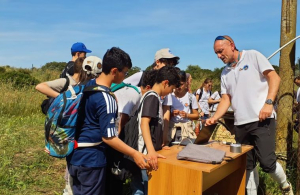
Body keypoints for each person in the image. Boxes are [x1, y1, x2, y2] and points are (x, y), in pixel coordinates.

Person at [206, 35, 293, 195]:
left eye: (220, 51)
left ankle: (285, 186)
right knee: (248, 165)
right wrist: (215, 117)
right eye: (216, 53)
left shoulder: (253, 56)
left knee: (267, 163)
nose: (219, 56)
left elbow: (274, 77)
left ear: (231, 45)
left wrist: (268, 103)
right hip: (240, 125)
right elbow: (226, 99)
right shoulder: (225, 73)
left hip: (262, 121)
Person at [68, 47, 149, 195]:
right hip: (92, 159)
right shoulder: (107, 97)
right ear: (114, 71)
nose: (125, 76)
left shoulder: (87, 85)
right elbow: (109, 137)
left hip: (74, 156)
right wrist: (135, 154)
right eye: (124, 72)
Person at [105, 69, 158, 195]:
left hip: (111, 136)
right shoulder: (135, 94)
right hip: (111, 138)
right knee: (113, 177)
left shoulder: (137, 93)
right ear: (149, 87)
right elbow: (120, 123)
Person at [130, 66, 180, 195]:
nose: (171, 92)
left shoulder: (153, 97)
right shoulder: (152, 97)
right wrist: (152, 151)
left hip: (148, 152)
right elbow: (144, 124)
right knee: (143, 188)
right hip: (145, 154)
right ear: (165, 83)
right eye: (172, 89)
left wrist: (160, 144)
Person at [168, 71, 199, 144]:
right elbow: (164, 116)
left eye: (181, 84)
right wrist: (172, 114)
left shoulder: (191, 97)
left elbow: (196, 115)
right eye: (177, 84)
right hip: (172, 130)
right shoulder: (169, 96)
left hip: (186, 130)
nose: (179, 87)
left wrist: (187, 115)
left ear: (186, 83)